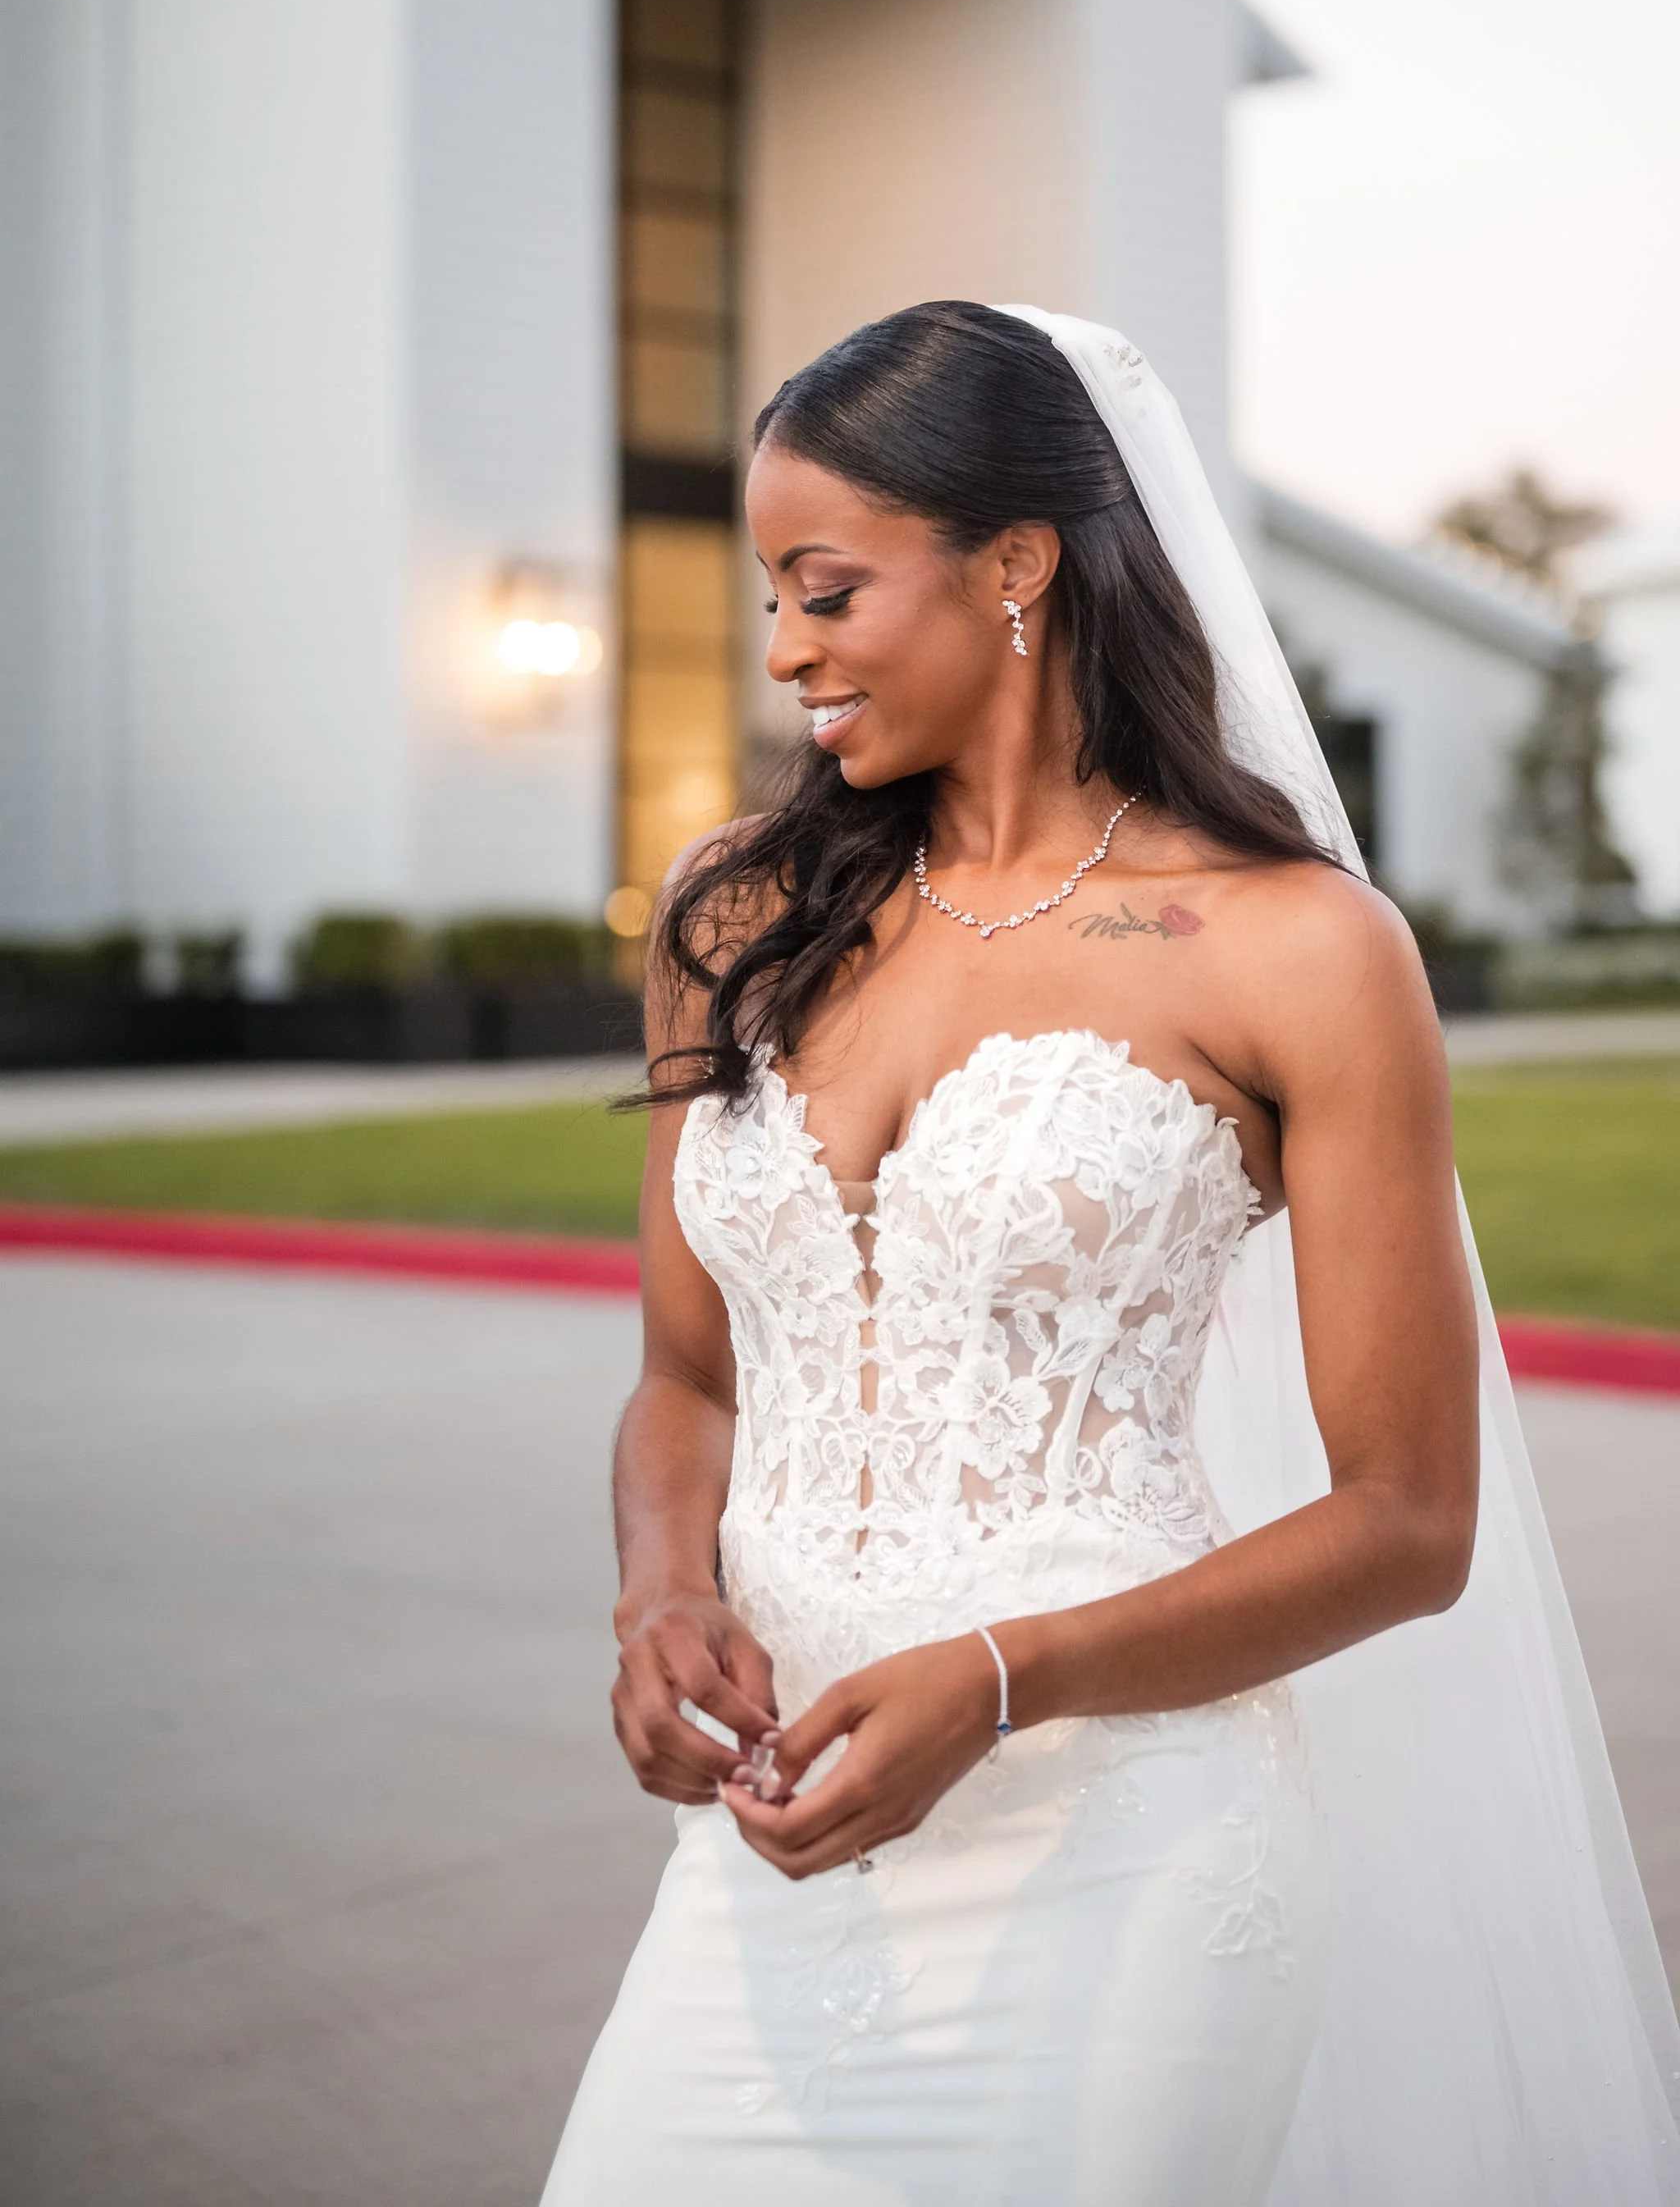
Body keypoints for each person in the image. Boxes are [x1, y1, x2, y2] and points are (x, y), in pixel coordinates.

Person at [541, 304, 1680, 2205]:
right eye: (769, 596)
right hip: (766, 1864)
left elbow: (1408, 1518)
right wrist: (658, 1593)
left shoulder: (1296, 950)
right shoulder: (734, 910)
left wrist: (994, 1680)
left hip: (1125, 1866)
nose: (781, 650)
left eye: (823, 588)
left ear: (1016, 563)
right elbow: (687, 1379)